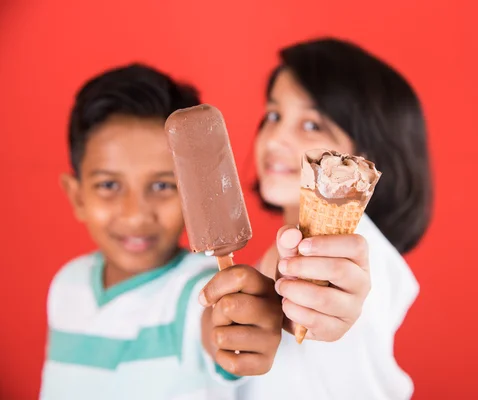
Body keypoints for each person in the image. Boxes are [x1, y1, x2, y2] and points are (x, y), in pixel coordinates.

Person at [40, 64, 283, 400]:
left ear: (194, 191)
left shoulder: (196, 293)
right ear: (77, 196)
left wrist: (240, 327)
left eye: (162, 185)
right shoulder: (66, 285)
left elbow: (216, 327)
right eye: (109, 185)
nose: (136, 214)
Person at [237, 37, 432, 399]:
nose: (275, 137)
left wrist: (337, 317)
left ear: (366, 154)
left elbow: (354, 308)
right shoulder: (274, 253)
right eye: (274, 115)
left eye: (312, 125)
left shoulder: (358, 256)